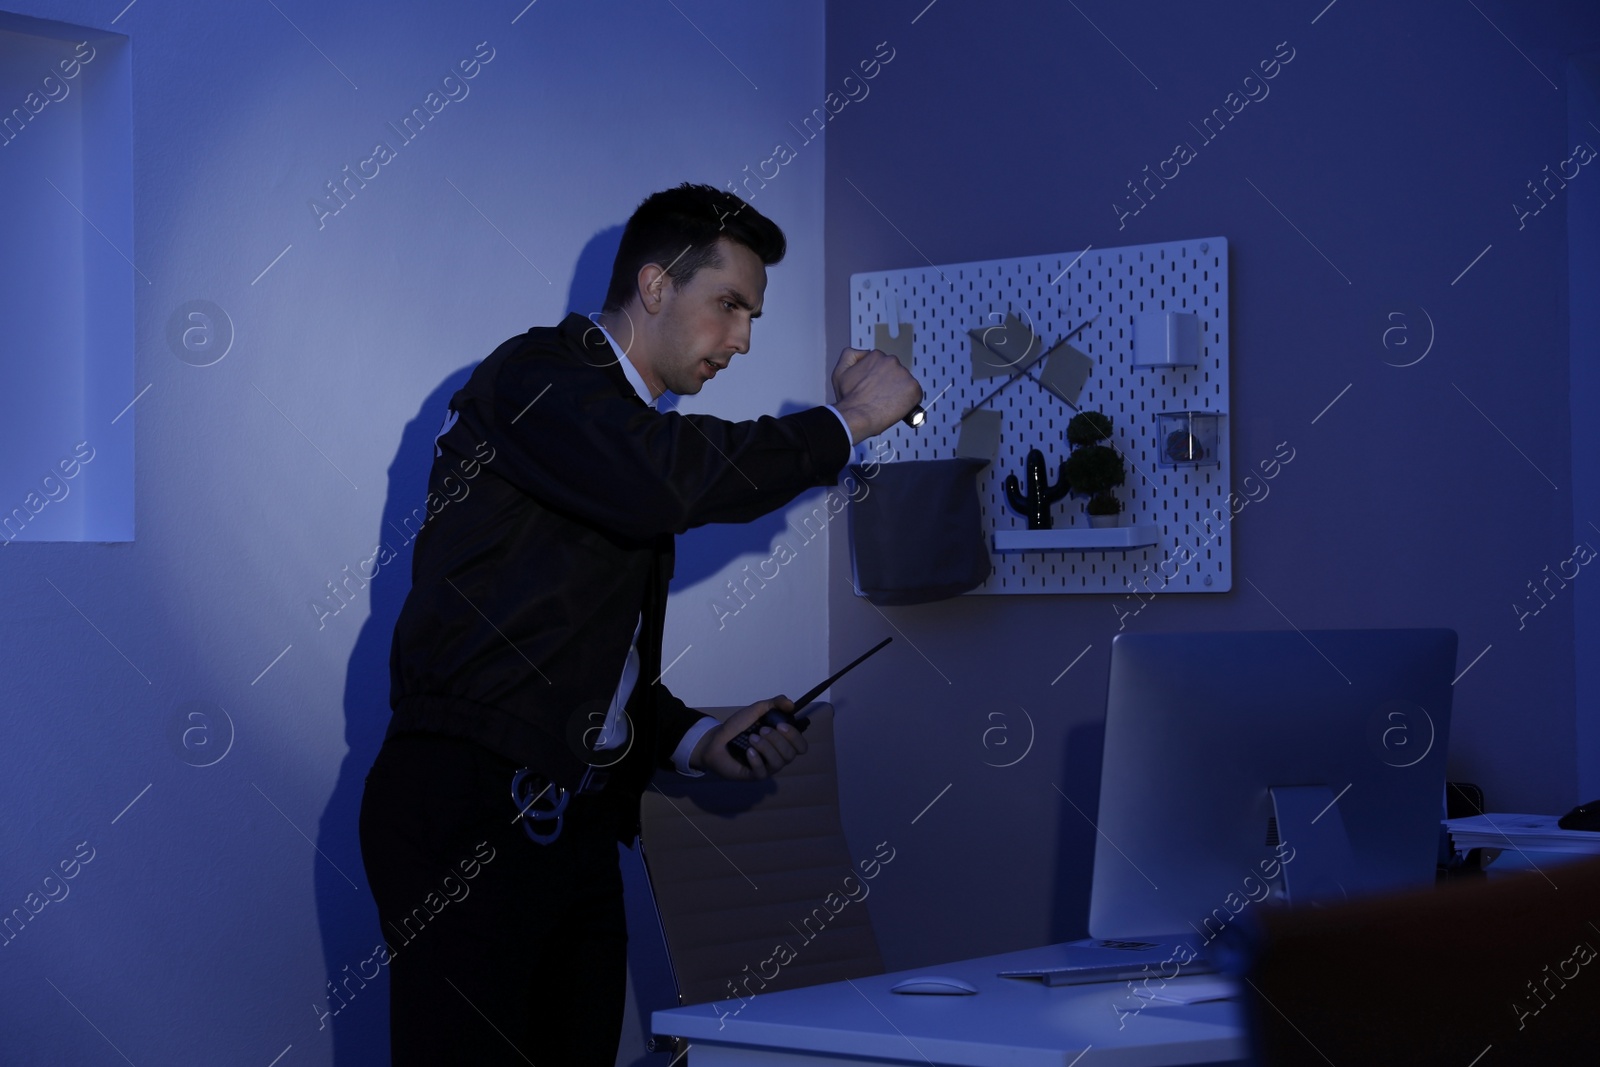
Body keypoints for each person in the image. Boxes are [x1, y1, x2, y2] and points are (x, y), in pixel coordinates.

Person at [358, 183, 920, 1065]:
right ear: (654, 286)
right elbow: (668, 480)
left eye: (752, 315)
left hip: (571, 828)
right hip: (468, 813)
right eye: (728, 304)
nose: (741, 339)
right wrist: (846, 424)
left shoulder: (615, 437)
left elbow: (576, 662)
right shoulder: (540, 379)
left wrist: (697, 738)